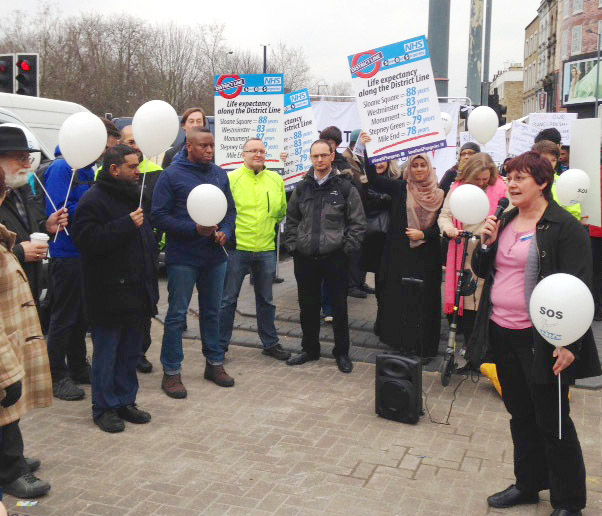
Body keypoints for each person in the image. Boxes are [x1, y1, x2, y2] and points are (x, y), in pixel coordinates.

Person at [470, 152, 601, 516]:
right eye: (508, 177)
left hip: (543, 339)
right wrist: (484, 244)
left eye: (520, 178)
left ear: (542, 183)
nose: (510, 184)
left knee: (553, 419)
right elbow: (483, 270)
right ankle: (528, 484)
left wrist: (570, 344)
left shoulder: (563, 227)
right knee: (520, 414)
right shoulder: (507, 219)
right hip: (502, 329)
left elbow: (580, 289)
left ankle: (569, 500)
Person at [72, 145, 158, 433]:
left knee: (129, 353)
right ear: (114, 169)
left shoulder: (135, 194)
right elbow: (87, 241)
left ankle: (125, 401)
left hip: (136, 291)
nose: (138, 172)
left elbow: (144, 236)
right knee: (107, 353)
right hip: (107, 293)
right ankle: (104, 407)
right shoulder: (92, 200)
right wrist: (125, 224)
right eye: (132, 167)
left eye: (138, 166)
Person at [152, 127, 236, 395]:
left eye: (212, 146)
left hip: (214, 257)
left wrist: (226, 231)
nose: (210, 150)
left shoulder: (219, 174)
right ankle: (172, 372)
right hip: (183, 258)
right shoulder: (171, 175)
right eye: (204, 146)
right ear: (189, 146)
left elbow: (230, 211)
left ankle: (214, 363)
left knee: (212, 312)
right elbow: (159, 216)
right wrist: (193, 230)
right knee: (176, 315)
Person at [284, 139, 366, 373]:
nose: (319, 160)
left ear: (332, 156)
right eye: (315, 156)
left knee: (339, 307)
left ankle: (341, 353)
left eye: (323, 155)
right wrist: (294, 246)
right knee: (307, 306)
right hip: (306, 257)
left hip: (335, 257)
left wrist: (346, 249)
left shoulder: (345, 187)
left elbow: (357, 222)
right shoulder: (302, 187)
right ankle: (309, 349)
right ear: (310, 158)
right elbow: (292, 220)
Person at [363, 134, 444, 359]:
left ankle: (424, 347)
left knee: (425, 301)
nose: (418, 169)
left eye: (422, 165)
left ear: (429, 167)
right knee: (401, 298)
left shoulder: (440, 194)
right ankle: (402, 343)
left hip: (427, 255)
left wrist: (424, 234)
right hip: (401, 254)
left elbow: (443, 223)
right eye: (414, 165)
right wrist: (369, 148)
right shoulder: (401, 189)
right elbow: (373, 178)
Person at [0, 161, 52, 499]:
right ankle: (10, 471)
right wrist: (6, 374)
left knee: (9, 412)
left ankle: (11, 460)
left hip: (10, 334)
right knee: (6, 404)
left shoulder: (23, 197)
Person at [43, 136, 102, 401]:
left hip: (86, 251)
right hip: (66, 253)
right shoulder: (62, 167)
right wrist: (96, 202)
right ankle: (57, 375)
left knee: (81, 316)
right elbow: (56, 209)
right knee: (64, 317)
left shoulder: (88, 169)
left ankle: (78, 367)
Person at [219, 138, 289, 361]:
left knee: (266, 300)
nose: (258, 154)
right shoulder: (231, 179)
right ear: (243, 154)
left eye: (261, 151)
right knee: (228, 300)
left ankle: (270, 343)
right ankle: (219, 346)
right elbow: (222, 212)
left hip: (266, 248)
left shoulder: (276, 179)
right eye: (253, 151)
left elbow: (280, 212)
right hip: (237, 249)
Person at [438, 153, 508, 365]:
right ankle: (469, 351)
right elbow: (445, 215)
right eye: (477, 178)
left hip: (487, 253)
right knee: (465, 303)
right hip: (461, 251)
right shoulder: (457, 187)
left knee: (484, 304)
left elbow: (511, 215)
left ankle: (483, 352)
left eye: (485, 179)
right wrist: (449, 229)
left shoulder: (501, 188)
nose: (481, 183)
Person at [0, 126, 68, 315]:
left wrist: (47, 226)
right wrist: (20, 253)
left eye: (27, 158)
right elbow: (18, 247)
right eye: (20, 158)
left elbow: (27, 231)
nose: (28, 165)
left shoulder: (22, 190)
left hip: (26, 297)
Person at [119, 125, 163, 374]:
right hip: (120, 250)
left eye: (139, 140)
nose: (135, 145)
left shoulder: (156, 172)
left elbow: (159, 210)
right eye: (131, 141)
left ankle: (140, 351)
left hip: (147, 249)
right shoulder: (108, 171)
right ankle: (124, 350)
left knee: (147, 302)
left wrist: (156, 239)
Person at [358, 159, 402, 336]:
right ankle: (381, 319)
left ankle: (389, 320)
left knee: (391, 282)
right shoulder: (365, 182)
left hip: (393, 237)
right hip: (375, 238)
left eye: (383, 160)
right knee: (380, 280)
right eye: (375, 161)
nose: (379, 164)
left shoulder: (399, 180)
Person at [531, 141, 583, 222]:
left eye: (553, 160)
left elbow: (574, 213)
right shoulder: (527, 181)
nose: (550, 164)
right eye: (545, 160)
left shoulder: (565, 182)